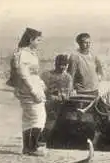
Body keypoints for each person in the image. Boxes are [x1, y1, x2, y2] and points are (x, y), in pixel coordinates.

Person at [7, 27, 47, 156]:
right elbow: (23, 74)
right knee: (39, 117)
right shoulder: (23, 54)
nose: (39, 43)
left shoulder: (29, 53)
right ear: (31, 40)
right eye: (38, 40)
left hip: (32, 87)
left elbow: (33, 73)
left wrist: (40, 83)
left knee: (28, 118)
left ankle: (27, 147)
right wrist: (33, 90)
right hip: (28, 89)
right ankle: (33, 147)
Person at [40, 54, 73, 142]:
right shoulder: (47, 75)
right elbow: (43, 90)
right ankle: (44, 138)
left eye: (64, 65)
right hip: (49, 102)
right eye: (60, 64)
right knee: (48, 120)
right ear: (56, 64)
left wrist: (63, 95)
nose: (62, 67)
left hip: (62, 103)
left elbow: (68, 92)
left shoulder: (68, 77)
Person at [67, 33, 104, 97]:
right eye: (85, 43)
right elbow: (70, 75)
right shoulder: (75, 57)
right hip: (81, 91)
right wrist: (71, 90)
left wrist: (98, 78)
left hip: (94, 90)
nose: (88, 45)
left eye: (89, 42)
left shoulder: (93, 55)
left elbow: (99, 69)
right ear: (79, 43)